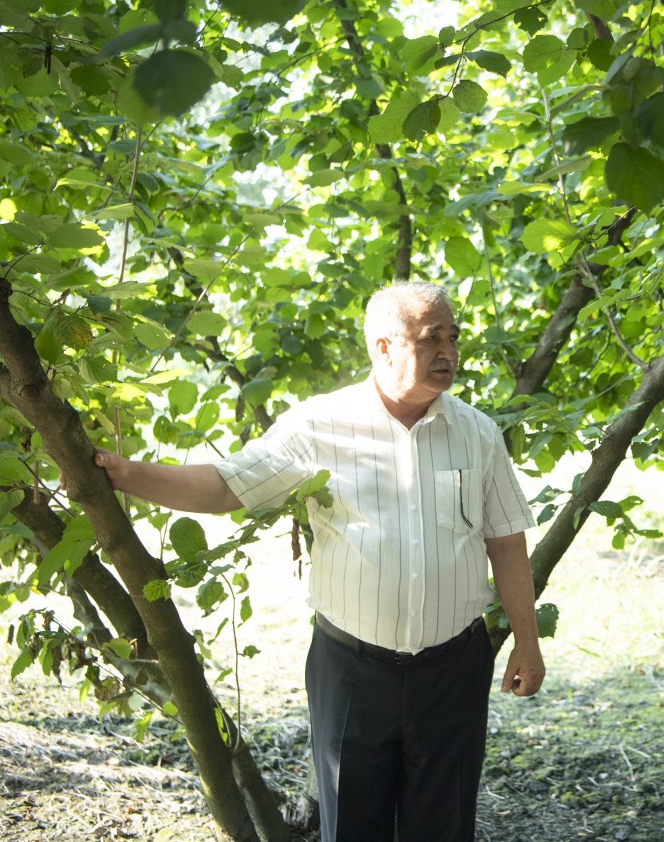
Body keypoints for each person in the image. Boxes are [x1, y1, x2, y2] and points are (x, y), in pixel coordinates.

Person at [94, 281, 544, 842]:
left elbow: (505, 541)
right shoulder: (319, 426)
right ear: (383, 347)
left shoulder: (476, 433)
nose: (449, 352)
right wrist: (127, 477)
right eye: (432, 339)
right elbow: (224, 488)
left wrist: (527, 640)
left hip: (452, 669)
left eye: (453, 337)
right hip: (352, 670)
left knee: (445, 825)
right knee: (351, 824)